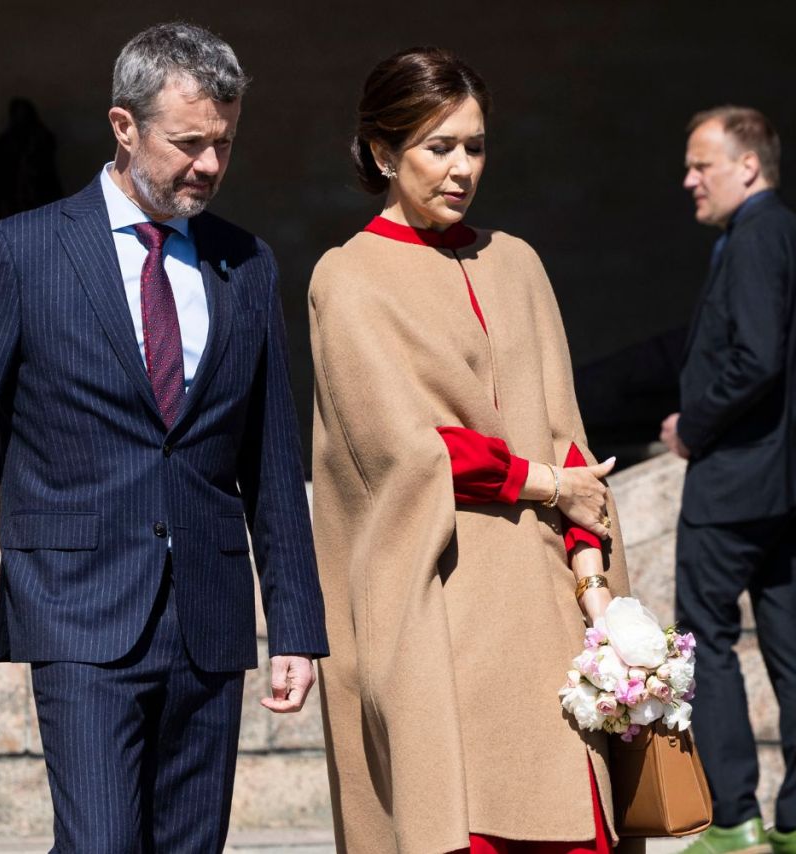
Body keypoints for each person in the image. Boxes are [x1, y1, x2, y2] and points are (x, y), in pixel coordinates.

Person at [0, 22, 328, 853]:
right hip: (78, 610)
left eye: (225, 144)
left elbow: (272, 465)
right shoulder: (19, 255)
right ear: (124, 127)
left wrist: (298, 626)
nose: (209, 164)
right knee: (99, 842)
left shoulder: (249, 265)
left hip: (209, 621)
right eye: (189, 142)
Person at [309, 48, 638, 854]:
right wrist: (545, 483)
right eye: (438, 146)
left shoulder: (518, 263)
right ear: (384, 154)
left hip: (556, 620)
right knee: (464, 825)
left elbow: (574, 445)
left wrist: (593, 580)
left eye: (475, 145)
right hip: (445, 616)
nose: (461, 168)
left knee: (580, 828)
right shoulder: (348, 280)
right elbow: (406, 451)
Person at [660, 106, 796, 854]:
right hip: (781, 487)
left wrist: (692, 426)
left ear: (748, 165)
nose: (688, 181)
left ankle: (735, 819)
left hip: (734, 484)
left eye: (700, 165)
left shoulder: (752, 239)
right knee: (788, 647)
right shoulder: (783, 233)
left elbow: (755, 358)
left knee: (704, 640)